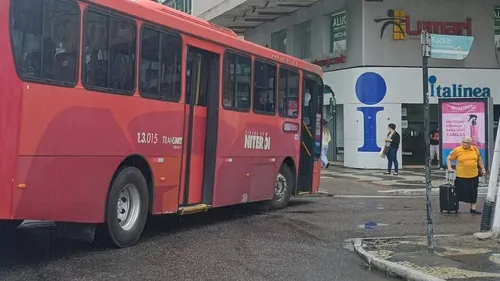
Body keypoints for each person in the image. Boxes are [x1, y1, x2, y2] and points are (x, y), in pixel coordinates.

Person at [447, 136, 485, 214]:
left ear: (470, 143)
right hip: (461, 176)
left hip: (473, 175)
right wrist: (449, 167)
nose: (464, 144)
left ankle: (473, 209)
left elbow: (479, 159)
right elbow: (449, 158)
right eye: (463, 142)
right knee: (459, 192)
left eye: (467, 143)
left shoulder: (475, 149)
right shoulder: (457, 150)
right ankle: (455, 207)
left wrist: (483, 168)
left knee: (473, 192)